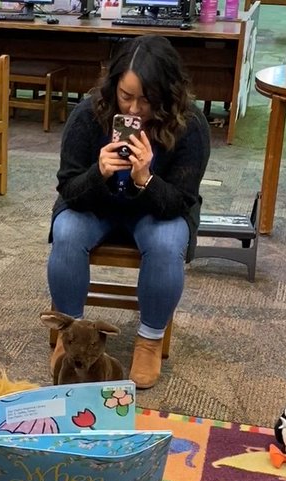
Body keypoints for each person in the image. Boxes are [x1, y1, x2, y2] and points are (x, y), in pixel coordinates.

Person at [46, 35, 211, 389]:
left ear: (167, 94)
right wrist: (99, 172)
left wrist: (146, 179)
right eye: (126, 96)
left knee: (167, 243)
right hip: (96, 205)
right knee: (67, 232)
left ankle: (149, 340)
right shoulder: (89, 114)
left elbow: (180, 202)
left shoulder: (190, 125)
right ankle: (68, 333)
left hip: (156, 212)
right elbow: (68, 188)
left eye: (147, 99)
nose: (134, 109)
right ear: (114, 86)